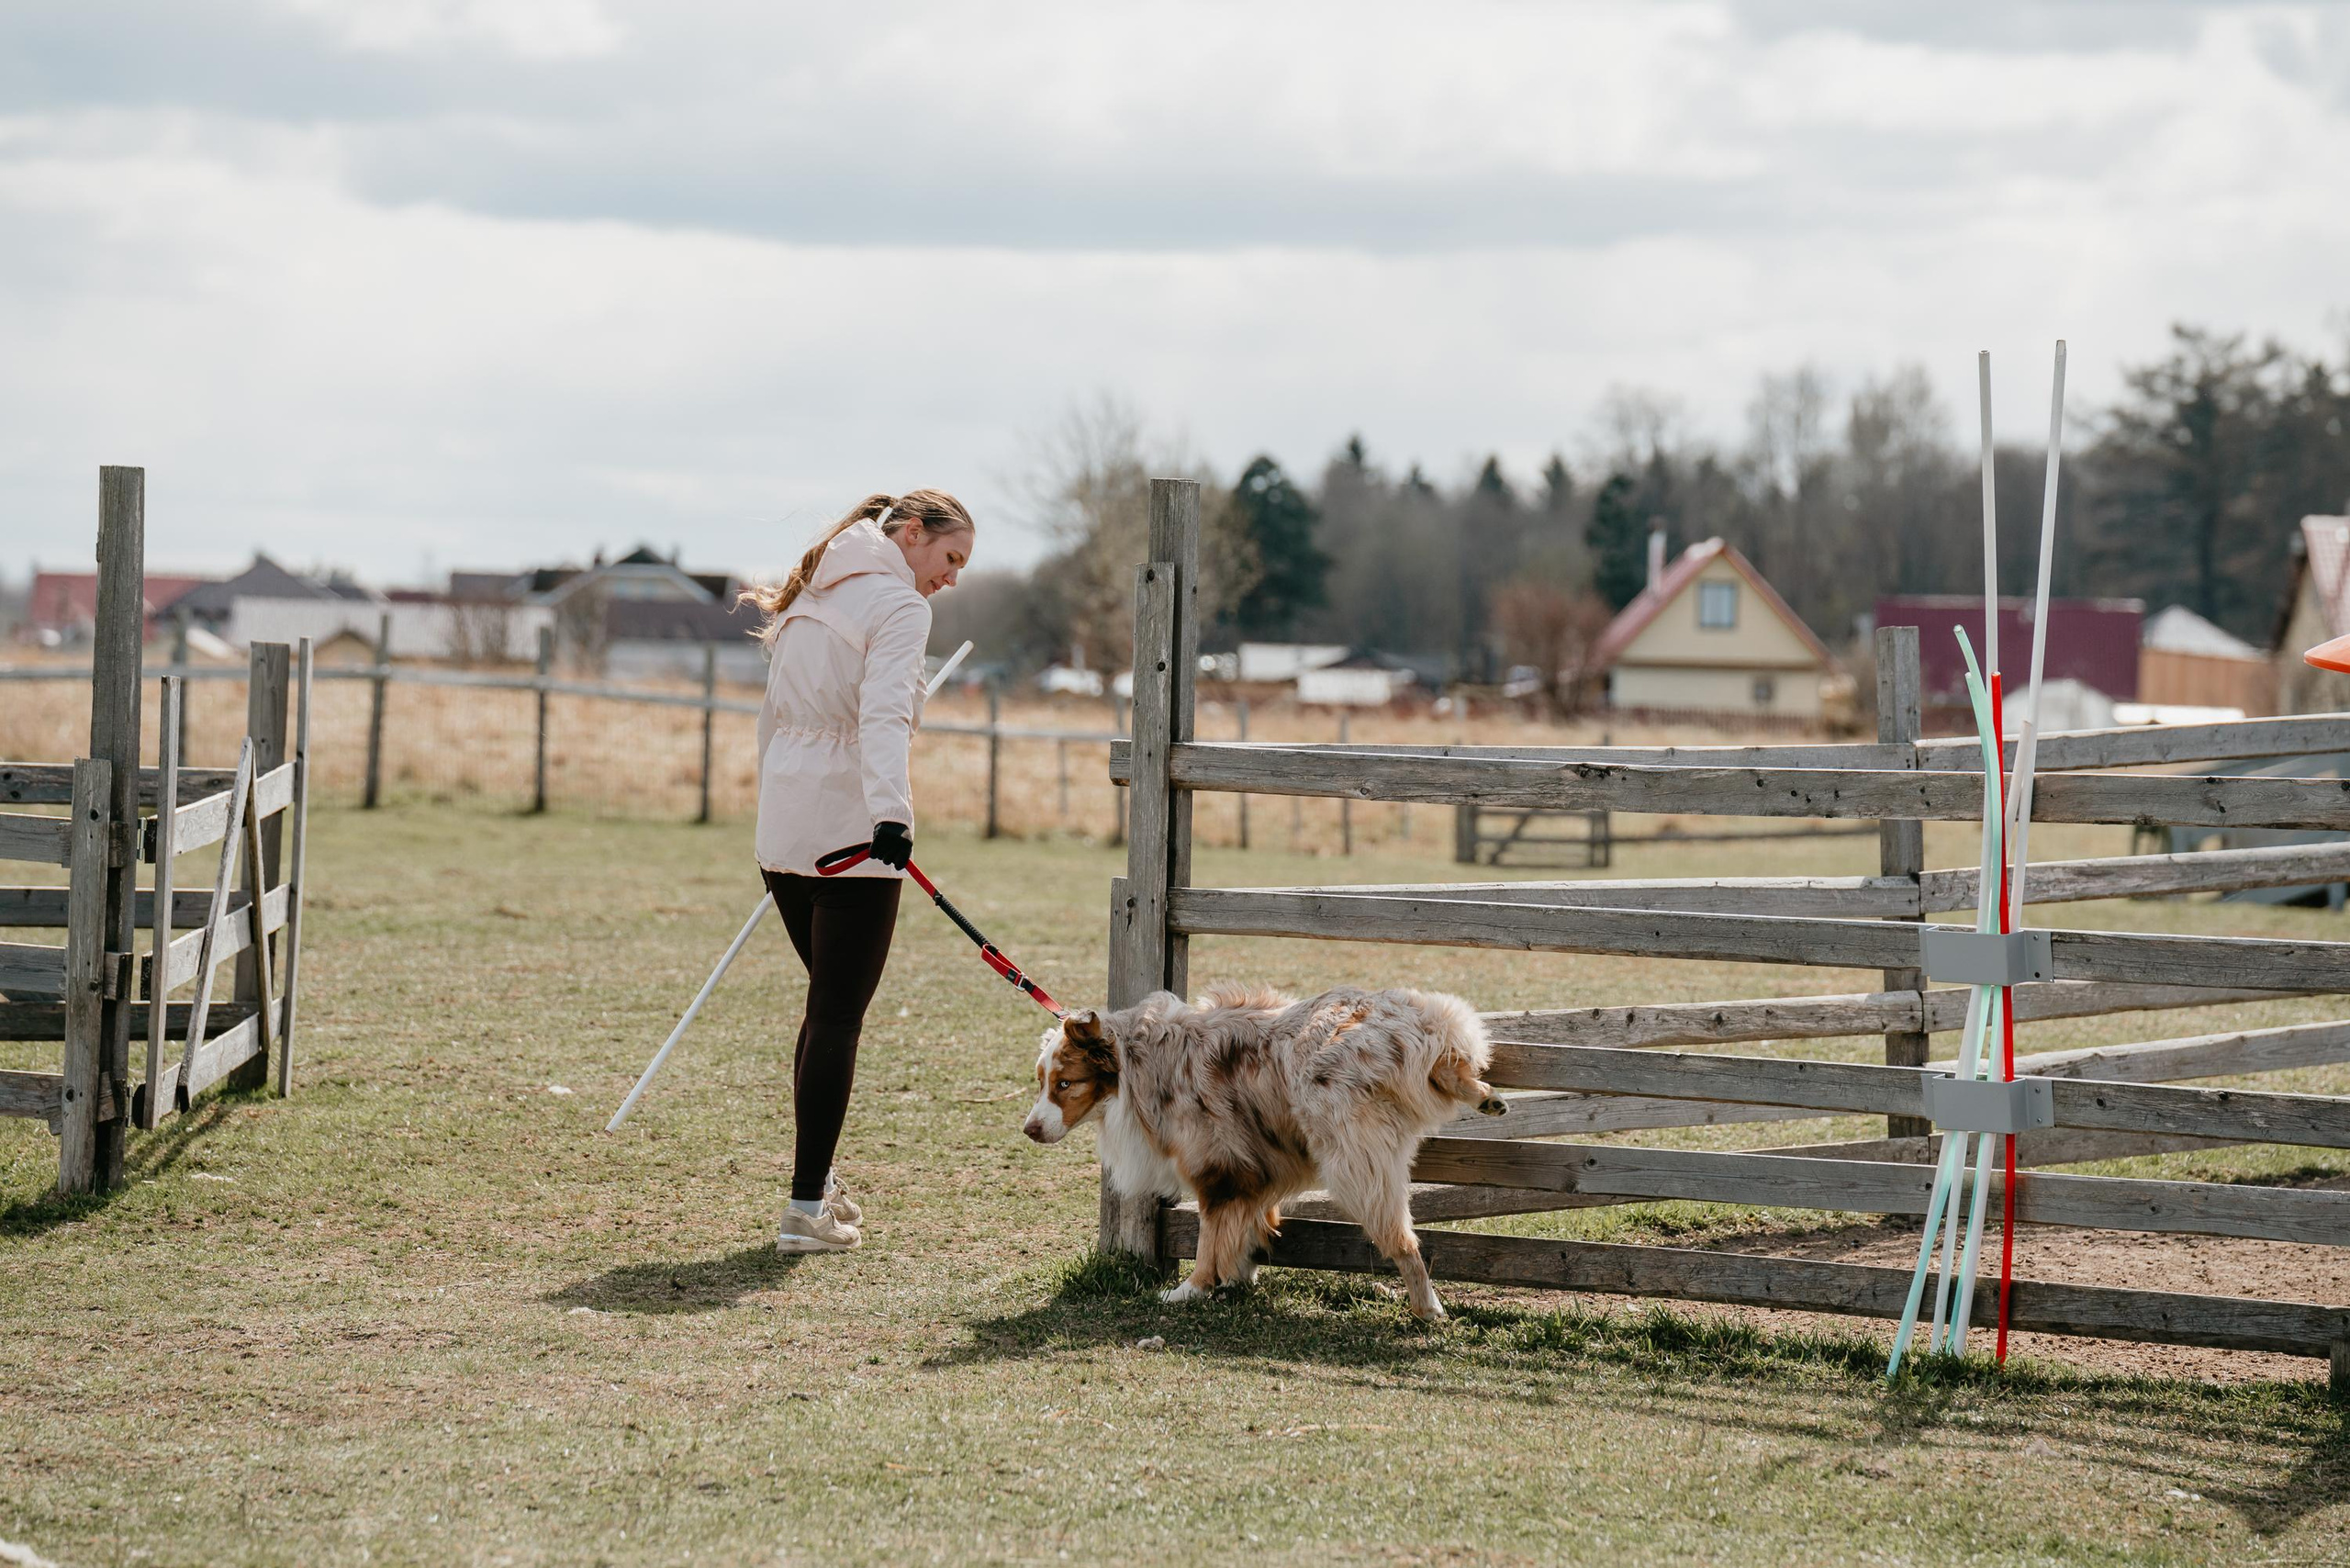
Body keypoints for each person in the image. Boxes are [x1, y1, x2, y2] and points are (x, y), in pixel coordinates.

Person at [742, 490, 973, 1254]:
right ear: (910, 535)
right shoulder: (901, 608)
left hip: (784, 831)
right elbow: (880, 723)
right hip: (850, 835)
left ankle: (818, 1186)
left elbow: (773, 717)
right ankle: (807, 1208)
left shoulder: (814, 587)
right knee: (837, 1016)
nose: (950, 579)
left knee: (825, 1010)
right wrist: (892, 820)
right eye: (948, 559)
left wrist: (777, 814)